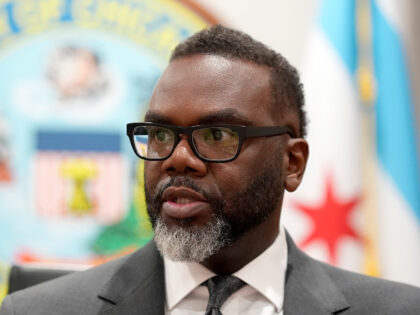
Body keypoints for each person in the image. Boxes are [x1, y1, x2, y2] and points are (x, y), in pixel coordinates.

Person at [1, 25, 420, 315]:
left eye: (217, 135)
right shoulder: (35, 310)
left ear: (292, 163)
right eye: (161, 133)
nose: (177, 159)